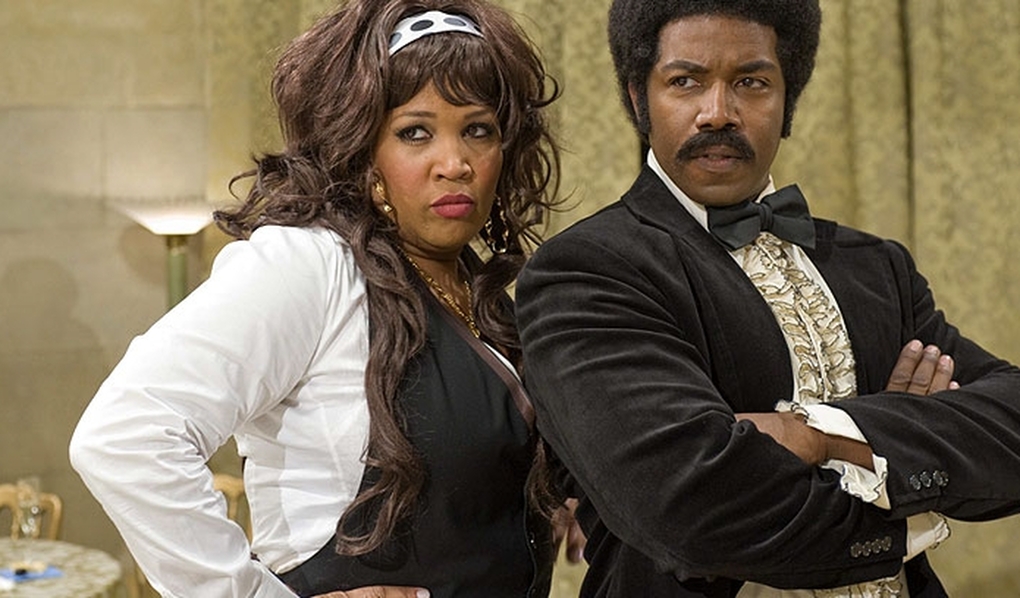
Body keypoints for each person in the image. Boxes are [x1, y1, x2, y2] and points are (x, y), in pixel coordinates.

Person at [515, 0, 1020, 597]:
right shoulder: (587, 270)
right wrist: (907, 486)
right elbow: (689, 506)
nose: (717, 113)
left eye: (751, 82)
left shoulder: (876, 267)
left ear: (788, 103)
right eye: (685, 82)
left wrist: (823, 435)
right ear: (638, 99)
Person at [69, 1, 569, 596]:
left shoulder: (478, 289)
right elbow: (126, 435)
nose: (455, 163)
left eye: (477, 130)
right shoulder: (312, 265)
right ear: (362, 148)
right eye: (415, 133)